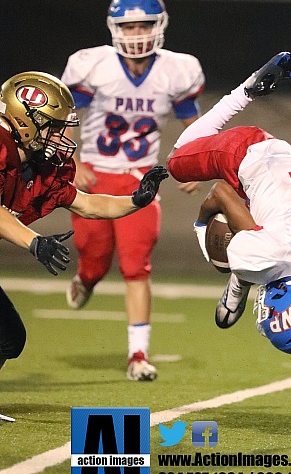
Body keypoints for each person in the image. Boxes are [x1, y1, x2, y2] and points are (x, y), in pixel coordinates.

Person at [167, 52, 291, 434]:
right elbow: (222, 192)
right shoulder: (267, 254)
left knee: (251, 257)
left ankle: (242, 273)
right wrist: (201, 222)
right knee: (177, 162)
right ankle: (247, 90)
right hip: (251, 154)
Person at [0, 70, 168, 421]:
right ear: (23, 119)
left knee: (8, 338)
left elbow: (89, 204)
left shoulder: (43, 164)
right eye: (53, 125)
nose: (61, 136)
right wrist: (34, 243)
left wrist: (135, 201)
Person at [61, 0, 205, 382]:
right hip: (93, 174)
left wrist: (195, 165)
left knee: (136, 267)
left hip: (139, 178)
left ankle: (137, 355)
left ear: (159, 27)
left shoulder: (176, 70)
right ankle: (87, 279)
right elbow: (64, 118)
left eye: (145, 26)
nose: (137, 34)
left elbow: (194, 124)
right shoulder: (93, 66)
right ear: (114, 29)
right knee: (94, 259)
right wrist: (72, 162)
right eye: (129, 26)